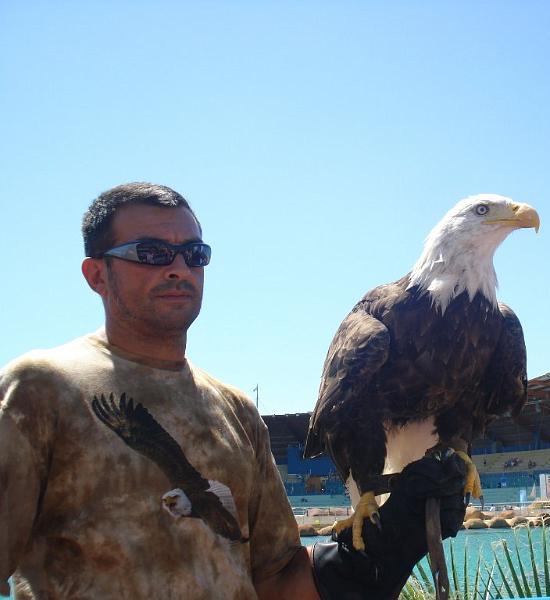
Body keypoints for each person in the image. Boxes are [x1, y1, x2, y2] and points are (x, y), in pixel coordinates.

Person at [0, 183, 466, 600]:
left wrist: (389, 542)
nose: (179, 267)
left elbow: (277, 581)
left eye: (194, 254)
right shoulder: (40, 387)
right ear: (96, 275)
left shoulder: (235, 410)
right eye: (151, 252)